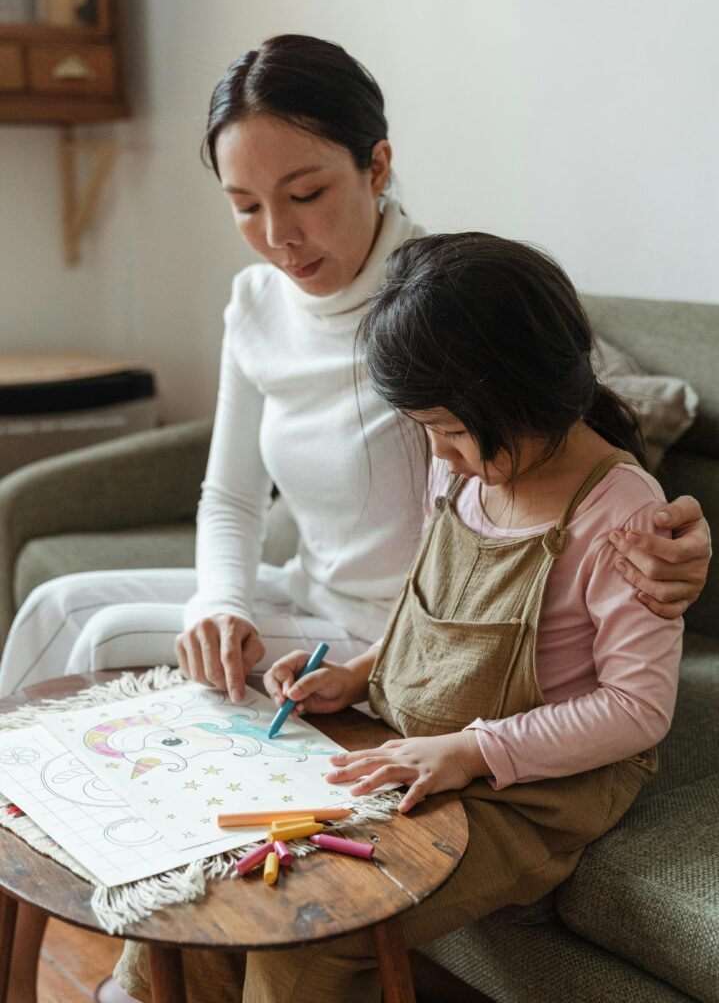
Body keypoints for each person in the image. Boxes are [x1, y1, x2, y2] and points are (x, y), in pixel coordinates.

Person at [0, 36, 709, 1003]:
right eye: (244, 206)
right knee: (61, 616)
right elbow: (269, 510)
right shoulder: (439, 443)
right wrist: (332, 655)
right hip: (380, 656)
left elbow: (591, 460)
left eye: (304, 195)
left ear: (376, 165)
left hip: (478, 731)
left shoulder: (452, 318)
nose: (279, 236)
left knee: (289, 916)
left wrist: (679, 534)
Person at [250, 230, 684, 1001]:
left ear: (525, 394)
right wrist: (356, 673)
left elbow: (637, 709)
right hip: (424, 744)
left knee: (310, 929)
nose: (440, 455)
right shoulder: (463, 475)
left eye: (450, 431)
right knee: (228, 876)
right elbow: (431, 614)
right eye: (426, 431)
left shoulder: (619, 513)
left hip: (536, 792)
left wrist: (467, 751)